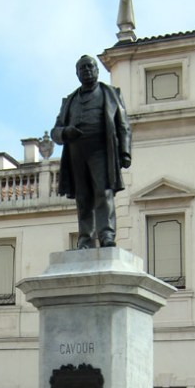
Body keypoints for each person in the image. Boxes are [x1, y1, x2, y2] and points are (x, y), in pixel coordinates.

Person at [51, 55, 132, 250]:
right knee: (83, 197)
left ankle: (106, 235)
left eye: (90, 67)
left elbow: (123, 125)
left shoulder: (110, 94)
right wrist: (65, 132)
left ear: (97, 70)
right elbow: (55, 131)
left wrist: (125, 152)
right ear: (77, 74)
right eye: (82, 68)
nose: (87, 70)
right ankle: (85, 239)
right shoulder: (69, 101)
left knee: (103, 193)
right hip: (76, 153)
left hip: (101, 150)